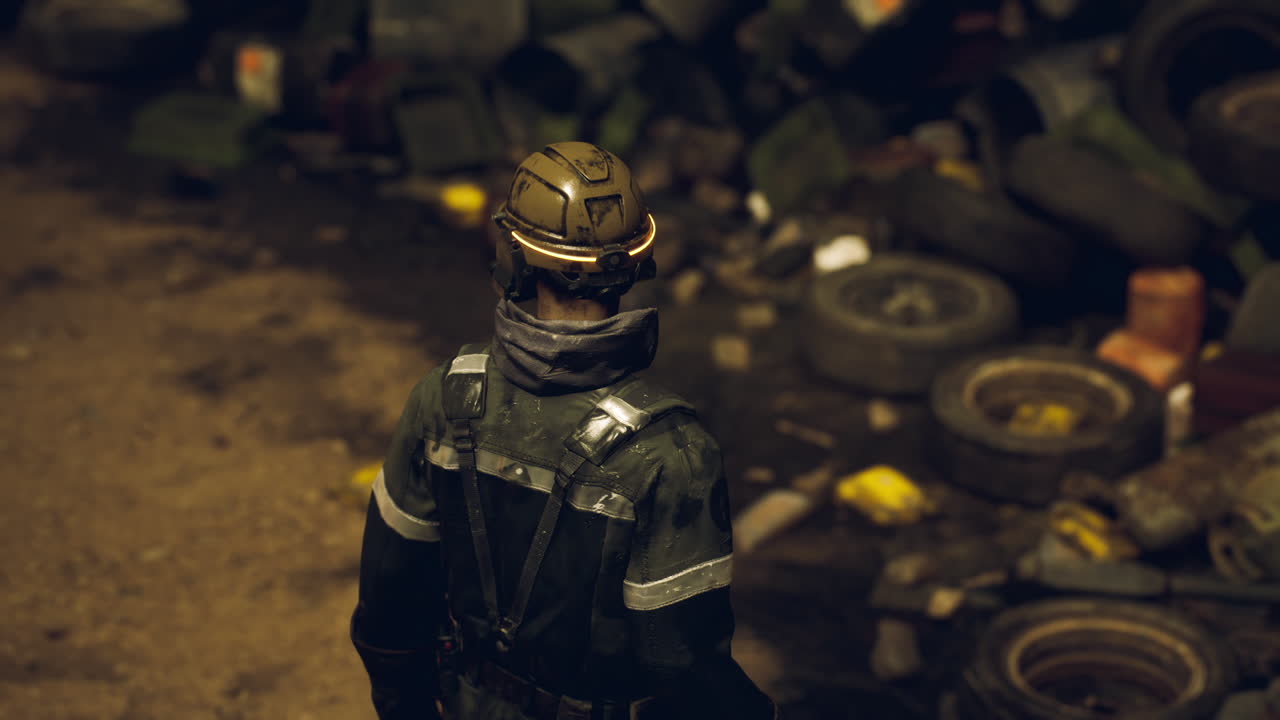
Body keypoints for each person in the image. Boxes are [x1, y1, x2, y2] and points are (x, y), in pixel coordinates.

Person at [351, 141, 779, 720]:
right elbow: (684, 668)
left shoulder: (447, 396)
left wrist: (405, 707)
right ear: (634, 264)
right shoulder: (671, 452)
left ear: (515, 258)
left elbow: (389, 600)